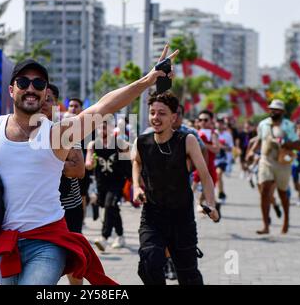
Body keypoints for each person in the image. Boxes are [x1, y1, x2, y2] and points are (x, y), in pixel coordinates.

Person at [0, 46, 178, 285]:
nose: (31, 88)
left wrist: (146, 81)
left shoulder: (58, 134)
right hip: (5, 241)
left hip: (47, 242)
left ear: (46, 95)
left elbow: (103, 106)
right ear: (12, 90)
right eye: (23, 82)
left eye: (39, 84)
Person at [132, 92, 219, 285]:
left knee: (189, 277)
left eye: (162, 113)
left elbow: (205, 175)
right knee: (149, 262)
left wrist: (211, 204)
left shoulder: (186, 140)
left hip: (182, 218)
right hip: (153, 216)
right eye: (152, 112)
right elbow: (136, 162)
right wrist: (137, 187)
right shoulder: (142, 142)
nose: (156, 117)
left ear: (174, 117)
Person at [41, 84, 85, 285]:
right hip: (38, 210)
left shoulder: (66, 130)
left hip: (68, 208)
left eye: (48, 99)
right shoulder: (22, 131)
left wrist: (46, 159)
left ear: (56, 104)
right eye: (40, 98)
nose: (42, 103)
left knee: (73, 263)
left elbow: (78, 170)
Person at [247, 99, 299, 234]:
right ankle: (266, 225)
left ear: (282, 112)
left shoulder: (288, 125)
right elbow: (259, 139)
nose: (272, 111)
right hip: (266, 160)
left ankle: (286, 220)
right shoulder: (263, 124)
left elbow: (296, 144)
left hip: (283, 163)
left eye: (276, 109)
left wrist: (284, 143)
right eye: (271, 109)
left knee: (282, 193)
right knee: (264, 191)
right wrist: (252, 151)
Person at [86, 120, 131, 251]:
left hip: (117, 182)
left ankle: (104, 238)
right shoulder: (93, 144)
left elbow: (129, 160)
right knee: (112, 209)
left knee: (109, 205)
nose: (102, 130)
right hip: (101, 183)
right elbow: (88, 161)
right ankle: (121, 236)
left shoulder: (119, 144)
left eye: (105, 127)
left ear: (112, 128)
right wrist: (89, 163)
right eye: (100, 127)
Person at [215, 118, 234, 203]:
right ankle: (221, 192)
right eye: (217, 123)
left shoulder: (227, 135)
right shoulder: (213, 134)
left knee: (218, 174)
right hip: (213, 159)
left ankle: (220, 194)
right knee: (215, 178)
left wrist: (221, 147)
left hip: (223, 159)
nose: (219, 125)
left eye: (221, 123)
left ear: (223, 125)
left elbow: (230, 148)